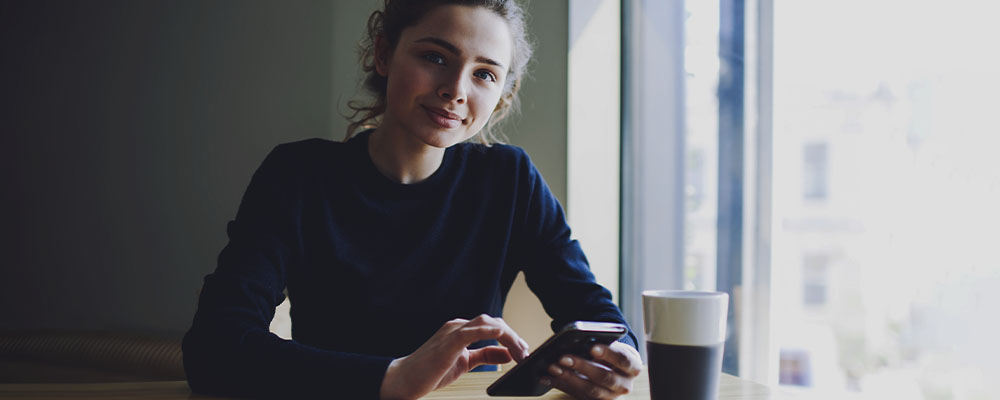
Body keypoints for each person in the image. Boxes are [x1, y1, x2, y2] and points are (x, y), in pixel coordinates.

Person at [181, 1, 642, 399]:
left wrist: (617, 361)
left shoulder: (510, 180)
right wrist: (393, 378)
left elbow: (597, 316)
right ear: (384, 54)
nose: (456, 90)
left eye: (484, 73)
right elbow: (213, 348)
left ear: (503, 93)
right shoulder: (298, 176)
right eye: (435, 57)